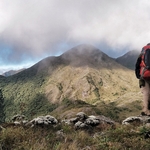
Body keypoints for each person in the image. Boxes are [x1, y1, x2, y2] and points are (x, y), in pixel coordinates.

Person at [135, 43, 150, 116]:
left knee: (145, 93)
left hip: (144, 75)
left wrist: (138, 75)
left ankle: (145, 110)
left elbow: (137, 65)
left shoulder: (142, 53)